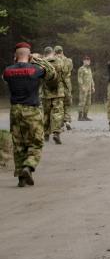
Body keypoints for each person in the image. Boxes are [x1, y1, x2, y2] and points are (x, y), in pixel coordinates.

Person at [3, 43, 56, 187]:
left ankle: (21, 177)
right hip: (31, 110)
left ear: (15, 55)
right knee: (36, 142)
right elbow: (52, 73)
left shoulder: (7, 71)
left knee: (19, 144)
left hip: (15, 111)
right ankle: (29, 166)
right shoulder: (35, 70)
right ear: (29, 54)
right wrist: (37, 60)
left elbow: (5, 78)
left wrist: (17, 63)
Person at [40, 47, 65, 143]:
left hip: (45, 93)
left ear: (45, 53)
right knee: (57, 113)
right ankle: (56, 133)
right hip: (58, 92)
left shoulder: (42, 62)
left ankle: (46, 134)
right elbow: (65, 73)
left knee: (46, 113)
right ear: (53, 52)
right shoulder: (59, 61)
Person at [54, 46, 74, 130]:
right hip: (67, 84)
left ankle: (60, 123)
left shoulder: (53, 60)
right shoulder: (69, 60)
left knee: (59, 103)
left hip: (58, 84)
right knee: (68, 103)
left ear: (55, 52)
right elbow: (70, 70)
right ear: (62, 51)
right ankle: (67, 120)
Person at [76, 56, 95, 122]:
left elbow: (91, 78)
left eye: (88, 60)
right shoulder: (81, 69)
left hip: (89, 88)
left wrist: (93, 86)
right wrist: (82, 86)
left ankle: (85, 116)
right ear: (83, 61)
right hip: (84, 88)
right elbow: (79, 78)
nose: (88, 61)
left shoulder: (89, 69)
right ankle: (80, 117)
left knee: (88, 102)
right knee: (82, 102)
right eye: (86, 60)